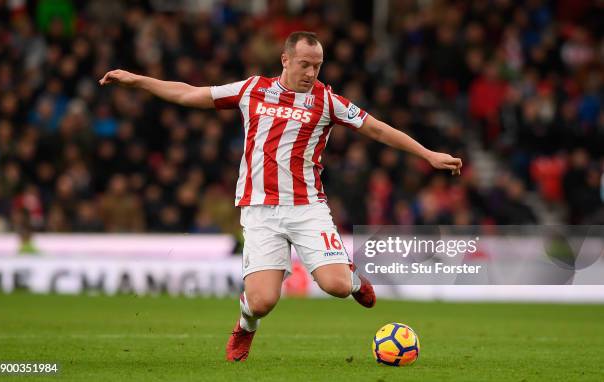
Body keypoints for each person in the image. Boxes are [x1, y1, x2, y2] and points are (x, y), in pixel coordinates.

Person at [99, 31, 462, 361]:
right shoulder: (252, 89)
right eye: (305, 64)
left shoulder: (327, 101)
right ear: (285, 60)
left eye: (317, 66)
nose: (311, 73)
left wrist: (428, 155)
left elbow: (377, 130)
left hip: (307, 207)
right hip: (259, 210)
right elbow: (190, 93)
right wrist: (137, 80)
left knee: (335, 286)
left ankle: (352, 280)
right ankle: (245, 326)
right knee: (262, 301)